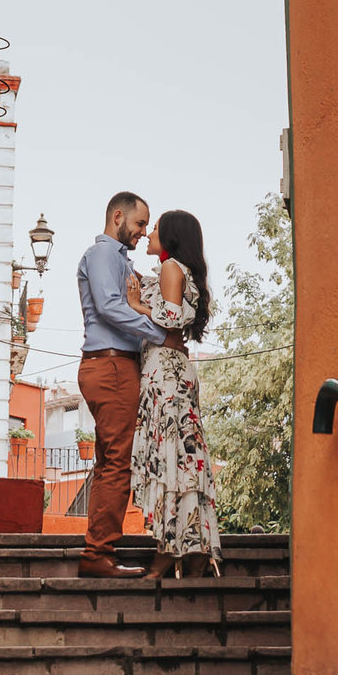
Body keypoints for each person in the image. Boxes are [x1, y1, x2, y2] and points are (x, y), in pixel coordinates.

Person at [128, 209, 219, 578]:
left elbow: (170, 316)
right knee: (184, 457)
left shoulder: (171, 268)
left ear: (171, 236)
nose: (149, 233)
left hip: (164, 371)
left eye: (156, 229)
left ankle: (169, 548)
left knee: (170, 455)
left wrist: (136, 305)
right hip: (175, 370)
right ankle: (192, 545)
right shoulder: (181, 272)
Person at [74, 192, 156, 578]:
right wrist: (158, 333)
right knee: (117, 463)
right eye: (140, 224)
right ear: (118, 216)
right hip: (111, 367)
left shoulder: (117, 260)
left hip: (110, 366)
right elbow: (108, 306)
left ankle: (98, 549)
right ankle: (97, 554)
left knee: (110, 461)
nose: (143, 232)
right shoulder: (104, 255)